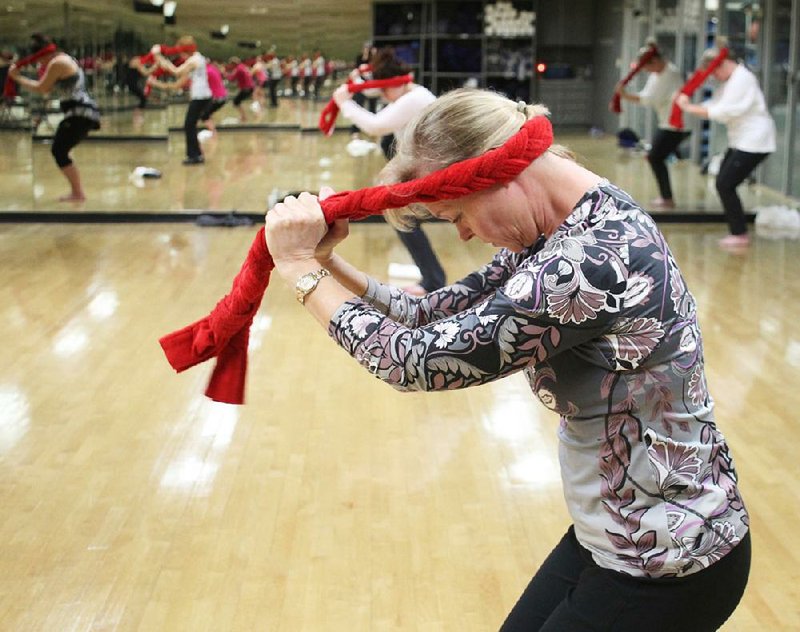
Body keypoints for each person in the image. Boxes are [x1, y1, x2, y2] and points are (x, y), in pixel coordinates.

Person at [263, 88, 751, 631]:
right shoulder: (568, 225)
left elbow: (415, 362)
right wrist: (327, 264)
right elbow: (427, 316)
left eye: (458, 215)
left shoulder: (595, 261)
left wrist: (298, 267)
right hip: (620, 535)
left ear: (501, 175)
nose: (466, 232)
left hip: (669, 563)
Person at [332, 47, 446, 295]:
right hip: (422, 166)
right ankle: (433, 279)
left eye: (385, 90)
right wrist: (357, 81)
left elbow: (375, 126)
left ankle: (434, 280)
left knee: (403, 219)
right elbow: (374, 93)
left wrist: (345, 103)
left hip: (434, 169)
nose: (383, 95)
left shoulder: (415, 98)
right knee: (402, 217)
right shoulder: (411, 92)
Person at [676, 44, 776, 248]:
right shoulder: (732, 80)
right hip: (741, 140)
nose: (715, 77)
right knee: (723, 181)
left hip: (755, 141)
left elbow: (724, 111)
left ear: (722, 64)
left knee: (725, 183)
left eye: (714, 72)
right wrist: (689, 104)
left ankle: (739, 234)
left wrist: (687, 107)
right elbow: (714, 103)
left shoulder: (742, 79)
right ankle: (738, 232)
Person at [8, 33, 100, 201]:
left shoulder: (57, 63)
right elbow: (48, 89)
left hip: (80, 112)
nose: (40, 63)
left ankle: (78, 193)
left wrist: (17, 78)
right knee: (61, 150)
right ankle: (77, 192)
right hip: (80, 112)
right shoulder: (64, 59)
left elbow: (42, 88)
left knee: (59, 150)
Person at [614, 45, 688, 209]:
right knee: (656, 157)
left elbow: (649, 99)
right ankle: (667, 197)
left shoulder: (670, 74)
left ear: (655, 61)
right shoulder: (658, 73)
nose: (647, 71)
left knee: (655, 157)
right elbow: (647, 93)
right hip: (667, 122)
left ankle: (667, 198)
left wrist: (624, 95)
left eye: (647, 66)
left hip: (676, 125)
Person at [154, 37, 212, 165]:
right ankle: (197, 154)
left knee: (188, 125)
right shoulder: (198, 58)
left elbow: (176, 72)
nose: (181, 55)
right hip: (203, 96)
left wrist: (159, 56)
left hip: (200, 97)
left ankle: (194, 156)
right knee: (191, 125)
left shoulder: (194, 60)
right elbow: (180, 78)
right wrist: (160, 59)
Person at [349, 41, 378, 138]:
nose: (367, 50)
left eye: (369, 48)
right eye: (366, 48)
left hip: (372, 87)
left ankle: (372, 130)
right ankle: (355, 131)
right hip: (360, 87)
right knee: (358, 107)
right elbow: (357, 71)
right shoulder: (359, 58)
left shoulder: (375, 60)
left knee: (372, 108)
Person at [226, 56, 255, 121]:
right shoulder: (242, 66)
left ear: (233, 64)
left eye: (230, 64)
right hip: (250, 86)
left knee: (236, 102)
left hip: (246, 88)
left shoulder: (238, 69)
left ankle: (244, 117)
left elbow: (232, 79)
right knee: (238, 101)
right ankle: (245, 116)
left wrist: (225, 74)